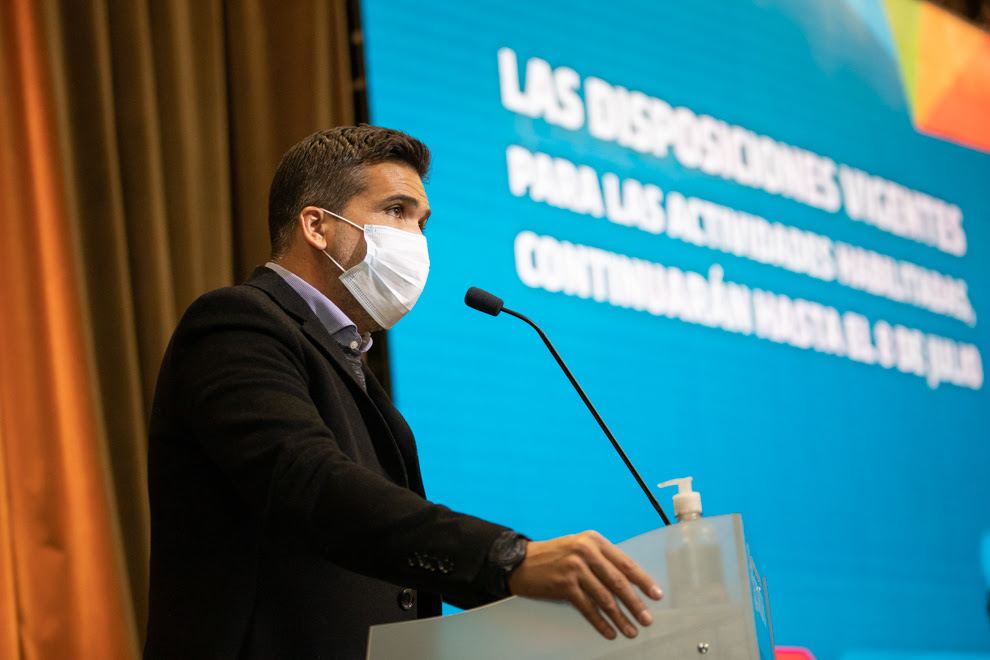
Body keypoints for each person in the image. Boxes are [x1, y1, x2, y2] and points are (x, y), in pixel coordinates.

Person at [144, 125, 662, 659]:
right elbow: (310, 483)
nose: (415, 239)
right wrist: (507, 559)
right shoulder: (237, 323)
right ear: (317, 227)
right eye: (396, 211)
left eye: (422, 222)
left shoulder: (353, 366)